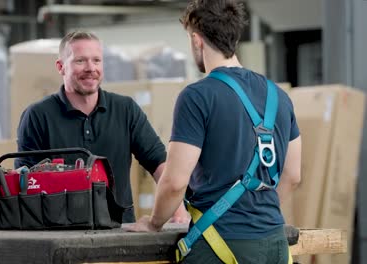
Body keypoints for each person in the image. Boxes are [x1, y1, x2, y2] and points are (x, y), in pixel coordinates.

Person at [125, 0, 302, 263]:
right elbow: (293, 175)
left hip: (221, 244)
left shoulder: (197, 96)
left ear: (197, 40)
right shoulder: (279, 96)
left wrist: (154, 223)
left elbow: (174, 182)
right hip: (274, 243)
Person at [15, 30, 189, 224]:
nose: (91, 68)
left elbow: (158, 163)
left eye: (96, 60)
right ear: (61, 67)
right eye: (80, 61)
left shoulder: (126, 110)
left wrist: (178, 212)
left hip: (119, 232)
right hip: (59, 234)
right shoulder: (37, 116)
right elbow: (24, 183)